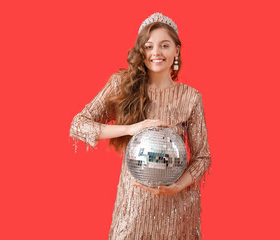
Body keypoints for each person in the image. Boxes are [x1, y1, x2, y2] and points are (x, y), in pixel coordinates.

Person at [69, 12, 212, 240]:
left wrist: (178, 186)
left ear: (176, 50)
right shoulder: (122, 85)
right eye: (149, 46)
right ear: (141, 52)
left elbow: (203, 156)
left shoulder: (191, 97)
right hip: (134, 205)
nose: (156, 52)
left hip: (178, 208)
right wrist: (130, 128)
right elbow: (78, 125)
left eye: (164, 45)